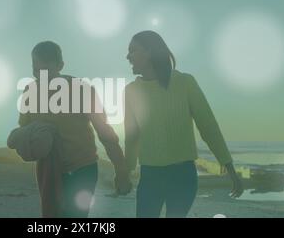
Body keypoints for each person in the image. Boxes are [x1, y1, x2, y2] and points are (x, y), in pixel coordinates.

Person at [124, 30, 244, 218]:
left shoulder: (185, 83)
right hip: (149, 176)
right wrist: (125, 173)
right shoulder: (131, 91)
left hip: (182, 176)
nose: (128, 56)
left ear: (149, 53)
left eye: (133, 51)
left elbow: (208, 126)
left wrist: (228, 167)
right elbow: (131, 136)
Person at [18, 41, 132, 218]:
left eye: (46, 69)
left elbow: (105, 132)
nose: (40, 76)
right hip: (49, 170)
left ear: (60, 66)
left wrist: (121, 170)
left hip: (83, 168)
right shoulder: (30, 92)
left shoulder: (82, 89)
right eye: (36, 69)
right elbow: (25, 131)